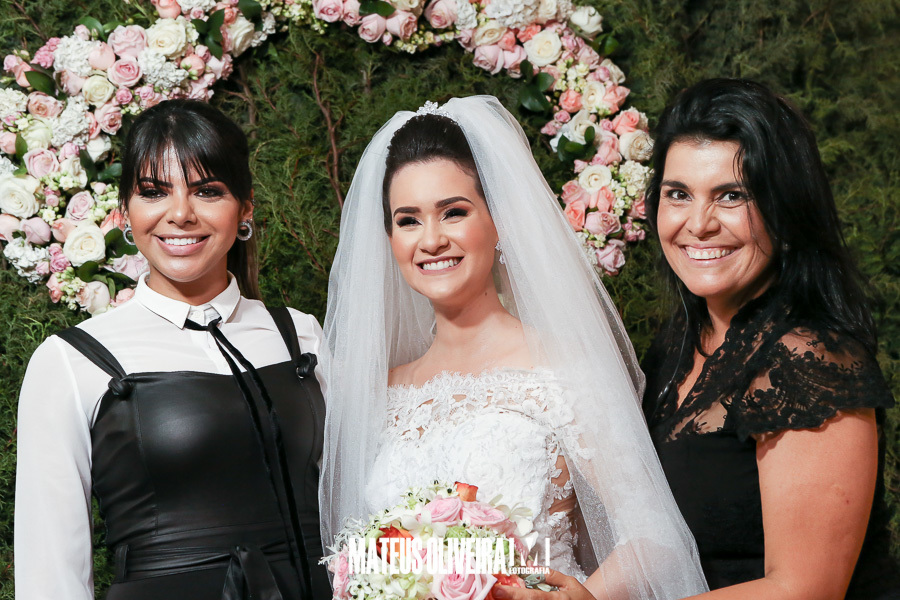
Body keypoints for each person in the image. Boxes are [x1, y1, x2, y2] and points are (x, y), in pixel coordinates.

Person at [320, 95, 708, 600]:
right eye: (408, 220)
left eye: (453, 212)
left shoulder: (563, 369)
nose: (431, 240)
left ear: (498, 220)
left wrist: (574, 598)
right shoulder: (385, 392)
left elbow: (655, 539)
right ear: (389, 238)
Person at [15, 99, 330, 599]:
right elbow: (50, 575)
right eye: (154, 192)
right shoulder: (72, 361)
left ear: (245, 207)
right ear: (125, 211)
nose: (180, 214)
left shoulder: (301, 335)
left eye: (208, 191)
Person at [639, 78, 899, 598]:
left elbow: (804, 590)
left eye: (732, 196)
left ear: (784, 207)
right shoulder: (675, 347)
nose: (699, 224)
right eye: (679, 194)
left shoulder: (807, 362)